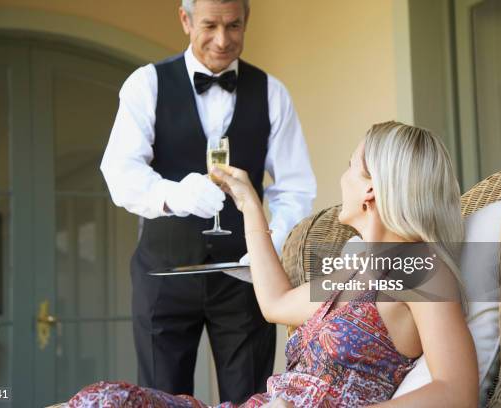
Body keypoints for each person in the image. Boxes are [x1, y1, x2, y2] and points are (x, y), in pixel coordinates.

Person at [74, 121, 479, 407]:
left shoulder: (418, 268)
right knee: (107, 399)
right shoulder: (353, 267)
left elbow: (456, 391)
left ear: (371, 188)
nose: (342, 178)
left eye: (349, 167)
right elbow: (275, 303)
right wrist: (250, 203)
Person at [100, 0, 316, 403]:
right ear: (185, 20)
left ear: (247, 21)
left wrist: (270, 242)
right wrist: (177, 195)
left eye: (234, 26)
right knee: (161, 399)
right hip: (163, 275)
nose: (222, 40)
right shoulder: (146, 84)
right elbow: (120, 173)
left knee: (250, 396)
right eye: (210, 25)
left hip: (244, 278)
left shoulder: (272, 93)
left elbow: (295, 187)